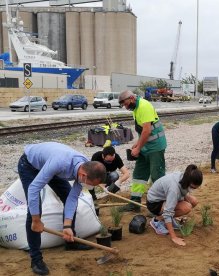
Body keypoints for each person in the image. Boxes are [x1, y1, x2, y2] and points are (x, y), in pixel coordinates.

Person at [17, 142, 107, 275]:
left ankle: (70, 241)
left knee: (67, 195)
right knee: (35, 208)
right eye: (89, 184)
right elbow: (33, 189)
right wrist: (36, 220)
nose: (89, 187)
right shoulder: (60, 163)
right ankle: (36, 259)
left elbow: (72, 199)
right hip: (29, 165)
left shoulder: (86, 167)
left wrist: (67, 226)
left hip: (53, 167)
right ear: (83, 175)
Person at [118, 90, 167, 212]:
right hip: (146, 146)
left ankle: (158, 208)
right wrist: (137, 143)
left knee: (157, 176)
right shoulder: (136, 108)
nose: (125, 107)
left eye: (125, 104)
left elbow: (147, 131)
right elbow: (142, 131)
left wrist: (138, 147)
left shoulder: (144, 106)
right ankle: (135, 203)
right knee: (139, 175)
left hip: (155, 147)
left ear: (131, 98)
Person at [147, 164, 203, 246]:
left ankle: (169, 219)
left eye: (195, 188)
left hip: (165, 198)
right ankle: (157, 221)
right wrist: (174, 237)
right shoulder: (174, 189)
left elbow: (182, 193)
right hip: (155, 203)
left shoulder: (184, 177)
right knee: (186, 208)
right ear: (187, 182)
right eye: (192, 187)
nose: (193, 189)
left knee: (194, 201)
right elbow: (167, 212)